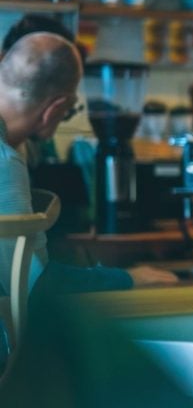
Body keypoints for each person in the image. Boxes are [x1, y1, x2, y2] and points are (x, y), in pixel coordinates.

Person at [0, 32, 177, 301]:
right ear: (56, 108)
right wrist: (128, 278)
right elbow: (34, 285)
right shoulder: (5, 162)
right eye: (68, 112)